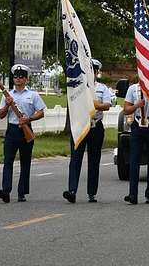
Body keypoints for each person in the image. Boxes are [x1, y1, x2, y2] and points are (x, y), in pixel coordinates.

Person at [63, 59, 111, 203]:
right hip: (80, 124)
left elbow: (107, 105)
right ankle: (72, 190)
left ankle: (92, 193)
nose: (90, 74)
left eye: (93, 71)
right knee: (75, 158)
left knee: (94, 160)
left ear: (96, 73)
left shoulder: (102, 88)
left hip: (95, 126)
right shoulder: (77, 87)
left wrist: (92, 105)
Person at [0, 64, 46, 203]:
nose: (18, 79)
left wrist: (29, 118)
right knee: (8, 161)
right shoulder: (7, 95)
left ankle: (22, 192)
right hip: (12, 130)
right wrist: (7, 104)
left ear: (26, 79)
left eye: (21, 76)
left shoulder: (33, 95)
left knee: (25, 162)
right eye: (16, 76)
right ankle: (6, 190)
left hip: (26, 129)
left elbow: (41, 112)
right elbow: (1, 115)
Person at [123, 83, 149, 204]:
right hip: (137, 124)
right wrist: (136, 105)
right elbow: (126, 109)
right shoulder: (132, 89)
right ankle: (132, 194)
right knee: (134, 159)